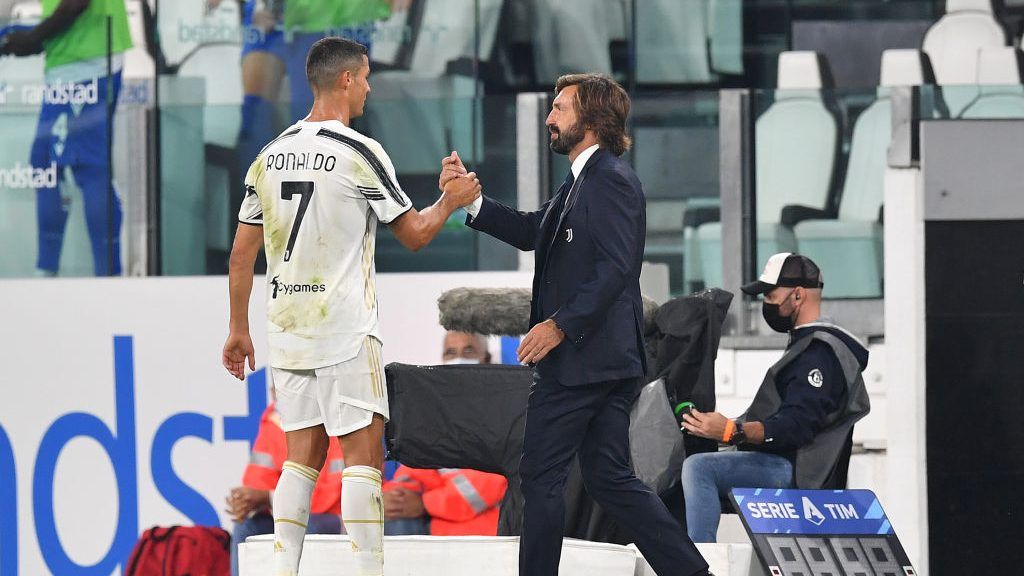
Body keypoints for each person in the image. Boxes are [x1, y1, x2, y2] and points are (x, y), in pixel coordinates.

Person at [221, 37, 480, 576]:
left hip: (287, 329)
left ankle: (283, 570)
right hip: (343, 327)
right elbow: (414, 234)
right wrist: (451, 201)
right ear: (344, 80)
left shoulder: (268, 156)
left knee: (300, 461)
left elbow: (241, 256)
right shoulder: (359, 151)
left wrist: (237, 329)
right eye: (364, 78)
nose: (369, 88)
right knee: (362, 461)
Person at [441, 73, 710, 576]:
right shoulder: (582, 180)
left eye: (560, 108)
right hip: (600, 361)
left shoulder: (609, 179)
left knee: (540, 475)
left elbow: (616, 268)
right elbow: (531, 231)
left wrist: (559, 326)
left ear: (591, 118)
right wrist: (470, 201)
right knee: (610, 478)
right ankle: (692, 572)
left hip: (583, 361)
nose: (549, 117)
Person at [680, 253, 871, 542]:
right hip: (785, 461)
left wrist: (732, 431)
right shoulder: (807, 344)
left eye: (771, 296)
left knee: (699, 469)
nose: (765, 304)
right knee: (692, 460)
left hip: (801, 472)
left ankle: (700, 561)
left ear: (798, 296)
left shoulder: (819, 353)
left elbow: (796, 427)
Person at [0, 0, 132, 276]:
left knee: (86, 167)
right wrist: (36, 37)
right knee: (47, 163)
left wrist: (34, 37)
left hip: (86, 61)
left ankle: (106, 277)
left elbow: (76, 3)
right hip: (73, 56)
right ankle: (53, 270)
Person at [383, 331, 507, 536]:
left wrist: (425, 502)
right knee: (393, 518)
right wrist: (394, 498)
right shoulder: (434, 410)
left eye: (469, 351)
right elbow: (414, 470)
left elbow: (487, 485)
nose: (459, 358)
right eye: (451, 352)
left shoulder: (502, 410)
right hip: (434, 526)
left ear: (486, 360)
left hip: (480, 533)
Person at [226, 402, 345, 576]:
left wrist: (268, 497)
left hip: (337, 516)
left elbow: (329, 498)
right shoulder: (274, 420)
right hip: (290, 511)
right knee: (246, 524)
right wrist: (246, 502)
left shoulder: (338, 415)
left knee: (305, 525)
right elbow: (258, 482)